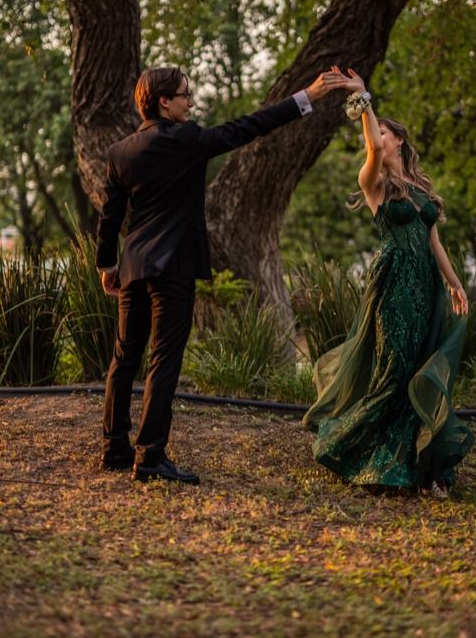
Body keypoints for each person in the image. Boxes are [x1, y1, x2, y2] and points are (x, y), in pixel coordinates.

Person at [96, 65, 351, 484]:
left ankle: (114, 449)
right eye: (185, 95)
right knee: (163, 360)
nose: (191, 102)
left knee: (124, 358)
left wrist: (108, 265)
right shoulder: (187, 140)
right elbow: (249, 127)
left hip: (134, 265)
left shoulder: (120, 152)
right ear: (164, 101)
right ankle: (151, 457)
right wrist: (308, 95)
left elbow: (110, 217)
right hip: (173, 267)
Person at [303, 67, 474, 499]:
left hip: (427, 285)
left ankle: (418, 463)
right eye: (375, 132)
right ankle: (356, 447)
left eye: (385, 132)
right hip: (394, 282)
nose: (379, 137)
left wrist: (454, 284)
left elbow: (435, 243)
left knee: (418, 364)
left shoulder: (420, 189)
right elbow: (371, 145)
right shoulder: (374, 182)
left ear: (400, 140)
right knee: (394, 367)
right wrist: (363, 98)